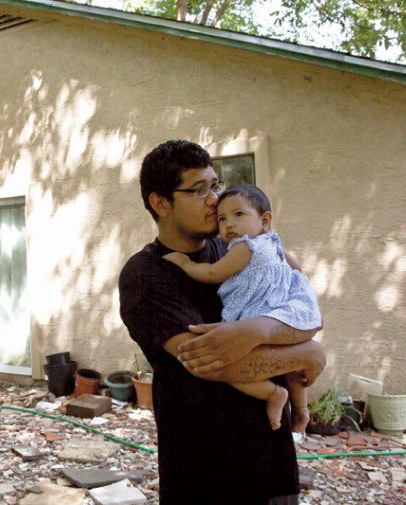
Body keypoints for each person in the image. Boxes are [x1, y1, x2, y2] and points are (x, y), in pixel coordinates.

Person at [118, 139, 326, 504]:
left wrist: (270, 333)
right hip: (203, 476)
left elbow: (299, 302)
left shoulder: (240, 249)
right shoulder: (146, 275)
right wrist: (304, 353)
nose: (215, 199)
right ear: (160, 203)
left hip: (273, 467)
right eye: (199, 190)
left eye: (214, 185)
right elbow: (210, 360)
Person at [163, 183, 322, 432]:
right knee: (293, 364)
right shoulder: (273, 242)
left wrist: (184, 263)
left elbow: (213, 272)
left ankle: (272, 393)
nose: (229, 225)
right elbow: (297, 267)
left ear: (265, 220)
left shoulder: (245, 246)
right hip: (283, 309)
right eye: (222, 218)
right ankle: (301, 409)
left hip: (257, 311)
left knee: (232, 366)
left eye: (239, 215)